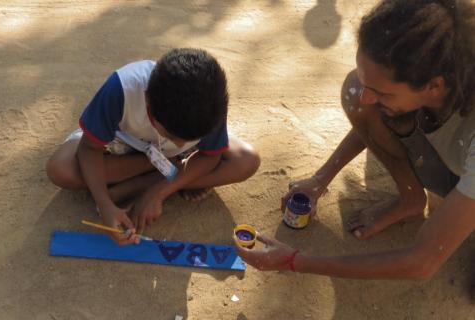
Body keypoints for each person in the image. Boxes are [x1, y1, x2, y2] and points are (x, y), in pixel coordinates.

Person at [235, 0, 475, 279]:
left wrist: (294, 261)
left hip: (464, 168)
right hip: (455, 152)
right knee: (355, 91)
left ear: (434, 86)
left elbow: (421, 262)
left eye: (382, 93)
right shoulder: (442, 60)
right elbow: (371, 114)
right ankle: (411, 198)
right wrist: (319, 180)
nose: (367, 98)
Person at [47, 48, 260, 244]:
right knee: (60, 169)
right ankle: (172, 173)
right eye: (170, 135)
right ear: (148, 102)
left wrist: (158, 193)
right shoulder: (122, 88)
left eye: (190, 139)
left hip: (172, 158)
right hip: (123, 145)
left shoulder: (211, 101)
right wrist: (105, 205)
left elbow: (210, 156)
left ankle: (147, 183)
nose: (179, 143)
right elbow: (89, 148)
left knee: (247, 160)